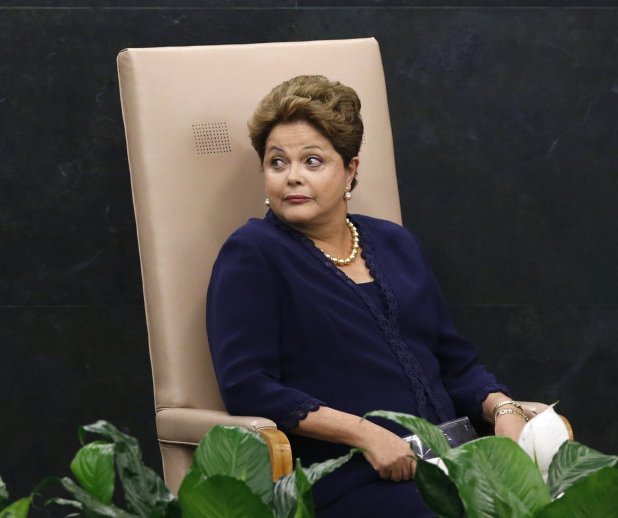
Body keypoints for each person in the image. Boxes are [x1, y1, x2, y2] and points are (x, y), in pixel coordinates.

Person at [206, 75, 539, 516]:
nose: (292, 177)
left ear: (351, 169)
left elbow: (454, 363)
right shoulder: (253, 253)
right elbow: (248, 387)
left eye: (312, 161)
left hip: (453, 463)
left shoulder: (394, 242)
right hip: (350, 476)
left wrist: (503, 408)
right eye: (277, 162)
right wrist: (366, 435)